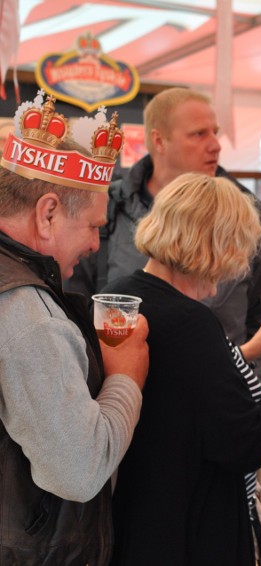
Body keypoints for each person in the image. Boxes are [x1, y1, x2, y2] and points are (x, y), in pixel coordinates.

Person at [104, 173, 261, 565]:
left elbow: (185, 389)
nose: (234, 270)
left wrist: (252, 348)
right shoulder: (191, 323)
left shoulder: (124, 298)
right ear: (216, 247)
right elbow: (244, 442)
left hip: (134, 522)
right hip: (190, 532)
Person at [0, 94, 149, 562]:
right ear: (47, 214)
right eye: (92, 227)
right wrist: (126, 374)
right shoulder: (29, 318)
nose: (93, 244)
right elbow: (78, 471)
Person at [66, 87, 261, 377]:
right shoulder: (108, 208)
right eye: (198, 134)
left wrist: (244, 388)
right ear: (159, 140)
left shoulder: (247, 214)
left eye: (215, 132)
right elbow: (77, 305)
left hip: (218, 393)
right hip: (123, 395)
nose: (215, 145)